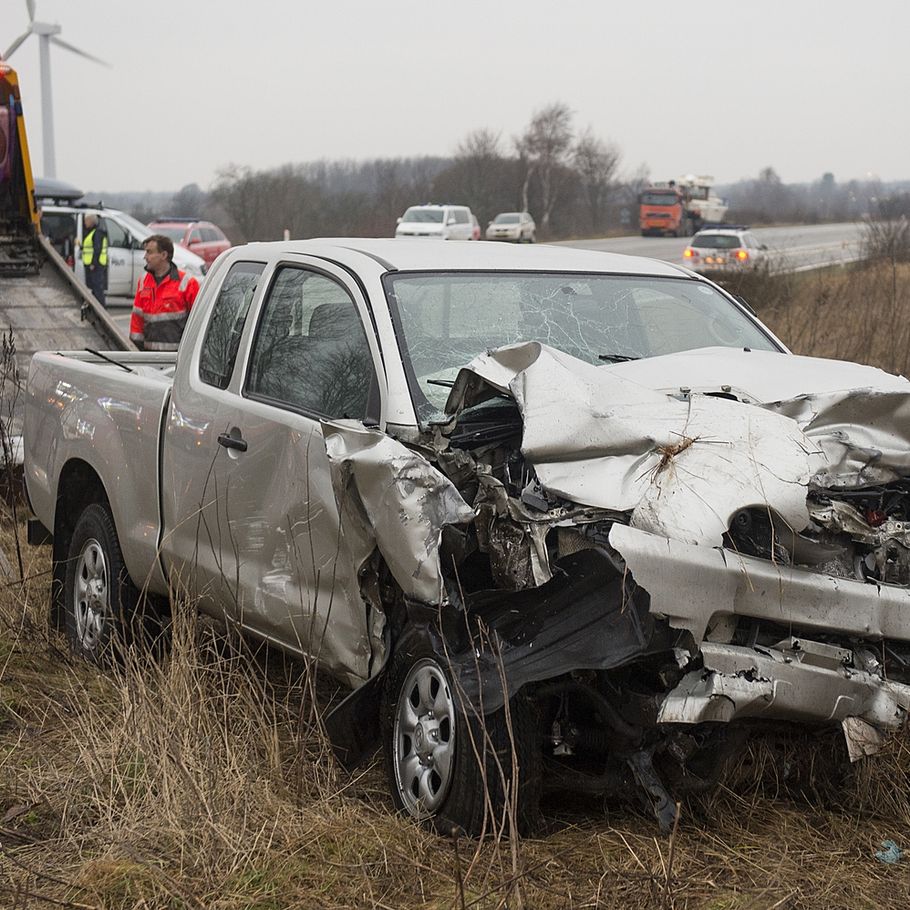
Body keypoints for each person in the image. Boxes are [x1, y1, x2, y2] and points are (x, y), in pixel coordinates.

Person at [130, 234, 200, 351]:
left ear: (163, 255)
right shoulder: (143, 281)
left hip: (177, 357)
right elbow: (137, 320)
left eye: (149, 252)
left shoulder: (187, 283)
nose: (145, 257)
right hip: (149, 358)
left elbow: (198, 322)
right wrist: (135, 352)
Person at [82, 213, 108, 306]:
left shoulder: (97, 233)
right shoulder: (93, 232)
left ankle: (101, 311)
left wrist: (93, 263)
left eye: (86, 220)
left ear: (91, 221)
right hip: (95, 265)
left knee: (98, 290)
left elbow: (97, 249)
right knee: (95, 289)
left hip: (96, 266)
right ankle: (97, 309)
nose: (84, 223)